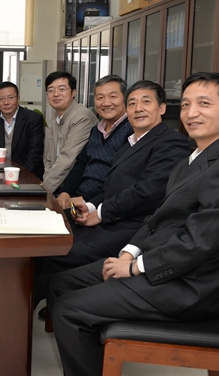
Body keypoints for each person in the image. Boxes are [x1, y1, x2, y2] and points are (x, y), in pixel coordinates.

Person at [48, 72, 219, 376]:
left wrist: (136, 267)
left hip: (187, 287)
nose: (191, 113)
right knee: (61, 283)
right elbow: (158, 217)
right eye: (186, 105)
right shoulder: (194, 158)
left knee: (68, 309)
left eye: (203, 104)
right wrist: (129, 252)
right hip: (165, 266)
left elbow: (198, 243)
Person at [34, 80, 191, 309]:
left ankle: (20, 315)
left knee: (55, 253)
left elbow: (147, 193)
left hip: (129, 229)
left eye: (146, 102)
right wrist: (90, 207)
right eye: (132, 103)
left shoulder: (172, 142)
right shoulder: (130, 143)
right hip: (107, 220)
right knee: (45, 241)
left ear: (162, 108)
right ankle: (20, 312)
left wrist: (100, 212)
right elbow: (109, 186)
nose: (138, 108)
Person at [55, 75, 133, 205]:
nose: (106, 103)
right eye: (100, 97)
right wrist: (65, 192)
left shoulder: (132, 131)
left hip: (102, 202)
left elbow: (119, 178)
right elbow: (80, 165)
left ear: (125, 99)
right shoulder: (96, 130)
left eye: (113, 96)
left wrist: (85, 199)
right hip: (79, 195)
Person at [0, 81, 45, 179]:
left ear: (18, 98)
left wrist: (19, 175)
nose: (6, 102)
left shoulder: (33, 119)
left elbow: (35, 154)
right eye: (1, 99)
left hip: (28, 174)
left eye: (10, 98)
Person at [42, 71, 97, 193]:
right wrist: (46, 186)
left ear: (73, 92)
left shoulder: (81, 117)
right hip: (58, 185)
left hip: (76, 187)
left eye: (62, 89)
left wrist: (45, 190)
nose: (56, 94)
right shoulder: (55, 117)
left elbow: (67, 159)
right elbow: (49, 159)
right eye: (51, 90)